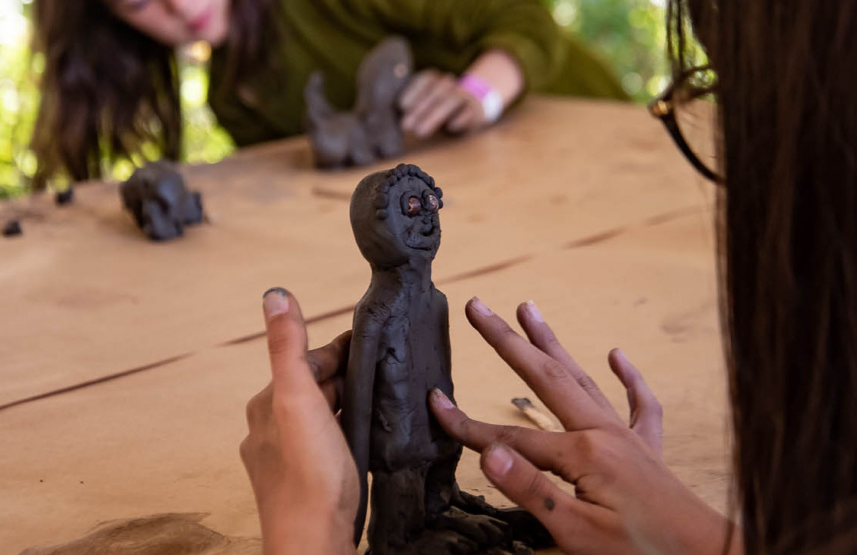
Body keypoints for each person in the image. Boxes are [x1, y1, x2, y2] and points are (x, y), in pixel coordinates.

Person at [240, 0, 857, 554]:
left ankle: (439, 509)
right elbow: (366, 404)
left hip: (428, 454)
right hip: (403, 455)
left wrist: (312, 524)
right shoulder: (383, 311)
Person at [29, 0, 627, 188]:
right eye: (141, 2)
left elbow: (524, 17)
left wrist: (478, 93)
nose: (183, 8)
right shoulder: (236, 98)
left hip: (606, 140)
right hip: (489, 195)